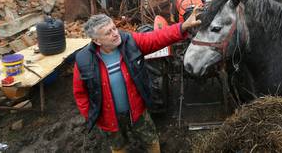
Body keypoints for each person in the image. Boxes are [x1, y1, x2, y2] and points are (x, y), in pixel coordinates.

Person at [73, 10, 201, 153]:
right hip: (108, 118)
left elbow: (156, 37)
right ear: (97, 41)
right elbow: (80, 93)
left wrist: (182, 26)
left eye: (114, 28)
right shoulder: (84, 60)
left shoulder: (130, 42)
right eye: (108, 33)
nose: (115, 33)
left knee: (150, 139)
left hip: (137, 110)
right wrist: (93, 115)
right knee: (118, 145)